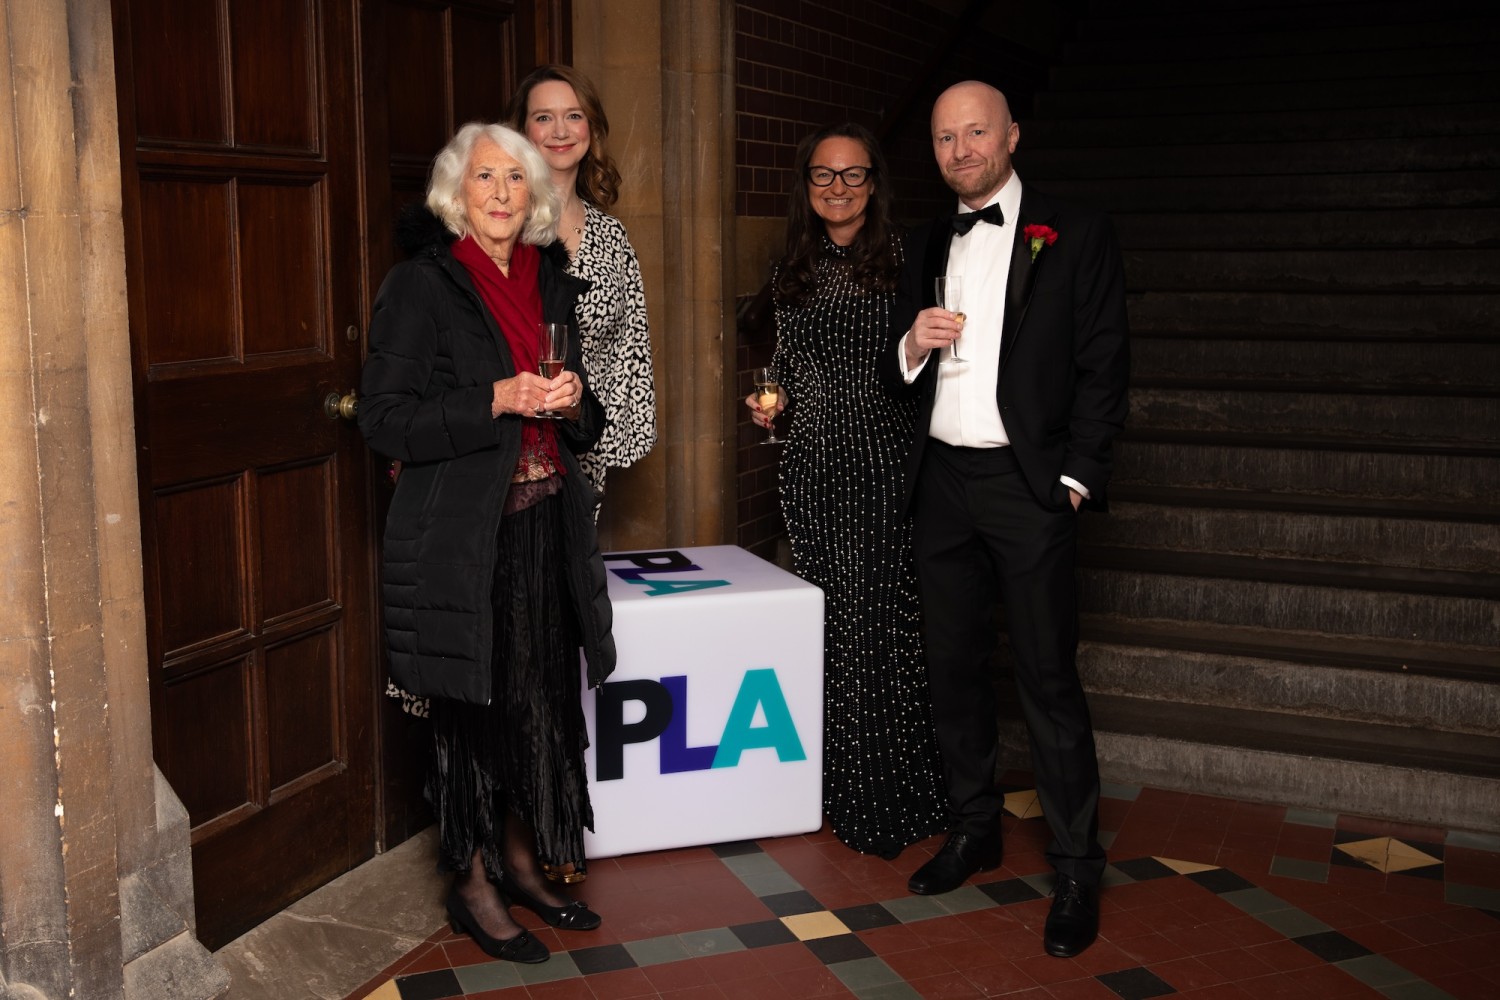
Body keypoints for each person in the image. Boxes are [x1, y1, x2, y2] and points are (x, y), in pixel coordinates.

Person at [881, 81, 1129, 958]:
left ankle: (1076, 866)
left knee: (1047, 679)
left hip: (1028, 487)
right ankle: (974, 828)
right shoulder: (924, 240)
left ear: (1012, 135)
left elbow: (1104, 361)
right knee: (952, 668)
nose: (961, 150)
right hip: (942, 483)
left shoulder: (1076, 232)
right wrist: (911, 345)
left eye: (976, 132)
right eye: (945, 137)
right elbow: (893, 372)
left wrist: (1076, 479)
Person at [358, 122, 616, 964]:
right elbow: (383, 419)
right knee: (472, 713)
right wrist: (495, 399)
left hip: (546, 526)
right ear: (454, 193)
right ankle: (471, 884)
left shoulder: (552, 280)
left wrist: (573, 401)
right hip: (463, 539)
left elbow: (588, 423)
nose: (501, 193)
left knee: (538, 701)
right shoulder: (421, 285)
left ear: (533, 193)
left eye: (515, 178)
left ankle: (521, 860)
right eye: (484, 178)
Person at [745, 123, 949, 860]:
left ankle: (887, 795)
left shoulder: (906, 259)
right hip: (809, 468)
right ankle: (833, 785)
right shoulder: (791, 268)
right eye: (823, 175)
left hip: (881, 463)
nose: (837, 188)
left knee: (877, 625)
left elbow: (927, 366)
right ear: (806, 186)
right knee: (828, 625)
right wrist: (771, 403)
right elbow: (789, 365)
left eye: (852, 174)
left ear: (874, 183)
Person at [508, 65, 657, 501]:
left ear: (591, 127)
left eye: (574, 116)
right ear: (522, 131)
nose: (560, 131)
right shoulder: (501, 223)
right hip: (512, 448)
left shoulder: (611, 235)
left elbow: (632, 345)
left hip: (585, 448)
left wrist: (615, 437)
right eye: (543, 117)